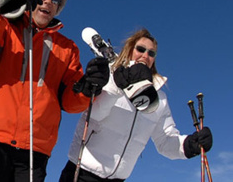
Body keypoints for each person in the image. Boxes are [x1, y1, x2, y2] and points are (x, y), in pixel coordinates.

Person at [0, 0, 110, 182]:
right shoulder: (5, 27)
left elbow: (70, 103)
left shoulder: (67, 48)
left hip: (36, 148)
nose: (48, 1)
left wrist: (89, 87)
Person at [59, 28, 213, 182]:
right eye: (141, 49)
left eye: (151, 53)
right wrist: (116, 87)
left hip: (118, 179)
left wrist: (189, 145)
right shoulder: (110, 76)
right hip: (82, 172)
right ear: (130, 50)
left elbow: (165, 141)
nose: (145, 55)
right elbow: (94, 115)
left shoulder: (159, 98)